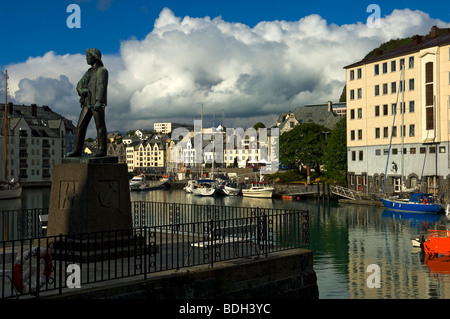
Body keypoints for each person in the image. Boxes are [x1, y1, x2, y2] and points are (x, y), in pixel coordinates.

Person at [67, 48, 108, 157]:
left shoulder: (102, 71)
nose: (86, 58)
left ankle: (102, 149)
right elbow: (79, 84)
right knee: (79, 127)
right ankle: (77, 150)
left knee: (100, 127)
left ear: (94, 57)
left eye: (88, 56)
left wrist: (99, 100)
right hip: (87, 103)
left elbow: (102, 86)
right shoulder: (88, 72)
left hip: (96, 103)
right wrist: (81, 90)